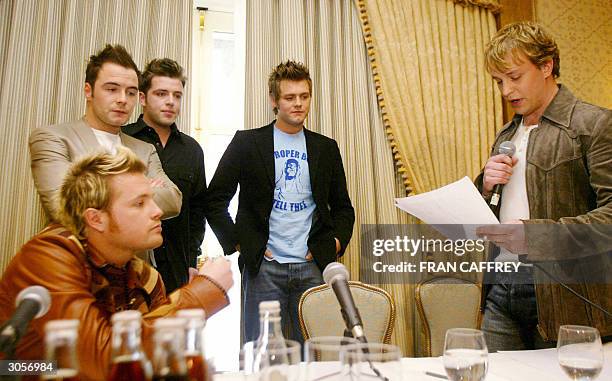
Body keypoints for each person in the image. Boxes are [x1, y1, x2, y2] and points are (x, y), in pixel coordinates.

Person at [0, 148, 233, 380]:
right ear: (96, 219)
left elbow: (158, 362)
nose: (158, 211)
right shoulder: (48, 255)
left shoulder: (146, 277)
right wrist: (202, 293)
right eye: (140, 203)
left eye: (152, 199)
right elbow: (102, 363)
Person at [475, 21, 612, 351]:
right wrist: (485, 186)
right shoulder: (506, 135)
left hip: (565, 294)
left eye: (515, 77)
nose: (506, 91)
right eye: (498, 81)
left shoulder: (594, 124)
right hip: (500, 288)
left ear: (547, 66)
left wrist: (534, 236)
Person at [206, 61, 355, 343]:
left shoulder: (326, 148)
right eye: (289, 97)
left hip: (313, 267)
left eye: (304, 96)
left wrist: (334, 243)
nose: (298, 104)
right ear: (274, 100)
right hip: (264, 268)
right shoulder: (247, 143)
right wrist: (242, 243)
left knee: (313, 355)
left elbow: (343, 208)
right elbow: (214, 200)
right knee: (259, 352)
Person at [29, 44, 181, 224]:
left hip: (137, 253)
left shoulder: (144, 149)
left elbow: (173, 200)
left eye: (131, 92)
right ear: (89, 91)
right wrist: (143, 189)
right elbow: (64, 204)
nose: (123, 99)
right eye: (111, 89)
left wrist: (98, 190)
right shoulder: (53, 138)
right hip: (80, 251)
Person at [123, 58, 206, 293]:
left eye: (177, 95)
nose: (171, 102)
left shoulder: (191, 150)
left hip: (177, 268)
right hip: (130, 267)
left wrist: (192, 262)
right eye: (161, 94)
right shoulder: (123, 140)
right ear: (142, 98)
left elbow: (197, 211)